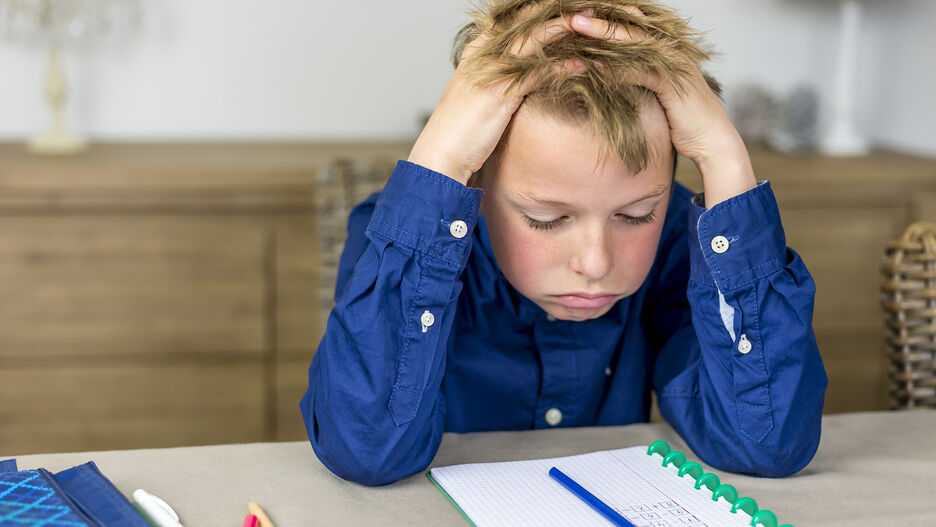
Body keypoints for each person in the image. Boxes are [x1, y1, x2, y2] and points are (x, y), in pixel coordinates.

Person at [301, 0, 828, 486]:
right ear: (476, 181)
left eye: (635, 214)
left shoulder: (681, 246)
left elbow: (767, 445)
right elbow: (367, 450)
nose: (596, 263)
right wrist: (441, 154)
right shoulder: (400, 239)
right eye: (546, 219)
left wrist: (725, 157)